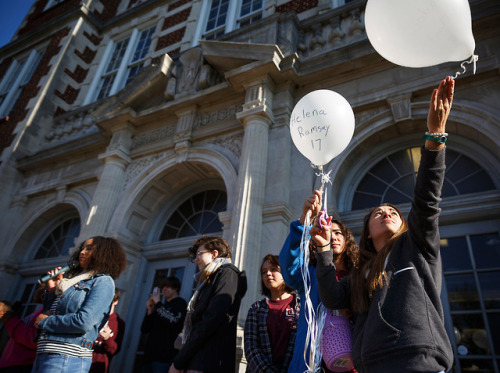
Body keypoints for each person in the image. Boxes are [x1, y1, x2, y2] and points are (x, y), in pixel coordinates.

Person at [314, 77, 455, 372]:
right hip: (371, 364)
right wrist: (325, 249)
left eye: (392, 210)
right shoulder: (361, 272)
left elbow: (427, 200)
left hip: (416, 359)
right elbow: (332, 297)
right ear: (367, 231)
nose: (386, 212)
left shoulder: (414, 245)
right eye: (378, 212)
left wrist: (436, 137)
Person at [279, 195, 358, 373]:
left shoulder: (359, 275)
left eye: (338, 233)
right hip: (313, 363)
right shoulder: (311, 274)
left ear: (347, 239)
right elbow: (289, 267)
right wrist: (304, 219)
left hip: (354, 362)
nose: (334, 236)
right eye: (329, 231)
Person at [32, 236, 127, 373]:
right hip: (45, 352)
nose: (82, 252)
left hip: (66, 357)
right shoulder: (71, 282)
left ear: (103, 253)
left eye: (89, 249)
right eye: (82, 248)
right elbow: (50, 314)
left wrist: (47, 321)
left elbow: (84, 322)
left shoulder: (103, 282)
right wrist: (52, 291)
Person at [169, 236, 247, 373]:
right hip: (197, 359)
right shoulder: (209, 279)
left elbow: (210, 320)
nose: (195, 259)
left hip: (209, 361)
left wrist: (179, 362)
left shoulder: (227, 273)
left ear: (214, 254)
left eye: (199, 254)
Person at [244, 254, 299, 373]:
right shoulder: (256, 308)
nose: (268, 274)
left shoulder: (301, 305)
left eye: (273, 269)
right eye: (264, 272)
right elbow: (251, 348)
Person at [141, 277, 187, 373]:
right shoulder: (160, 307)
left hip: (165, 359)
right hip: (149, 357)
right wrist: (150, 310)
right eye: (163, 287)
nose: (164, 289)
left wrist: (158, 303)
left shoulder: (180, 303)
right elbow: (144, 329)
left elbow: (173, 320)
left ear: (176, 288)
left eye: (168, 286)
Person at [90, 289, 125, 373]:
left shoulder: (118, 323)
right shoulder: (92, 316)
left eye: (109, 300)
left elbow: (114, 350)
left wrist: (107, 339)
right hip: (81, 362)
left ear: (115, 302)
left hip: (98, 367)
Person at [0, 301, 42, 373]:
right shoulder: (43, 307)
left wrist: (9, 319)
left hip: (21, 366)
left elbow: (35, 339)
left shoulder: (53, 308)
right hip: (10, 364)